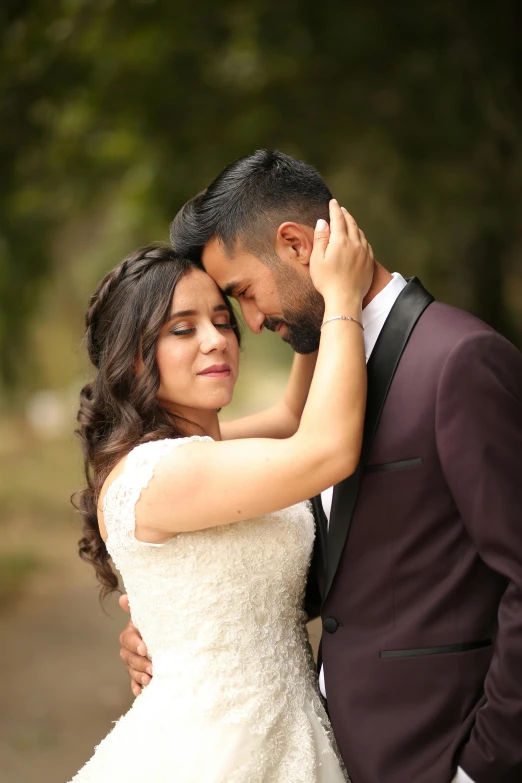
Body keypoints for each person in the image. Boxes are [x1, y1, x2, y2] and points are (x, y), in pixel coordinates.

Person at [120, 150, 522, 783]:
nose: (248, 324)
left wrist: (487, 765)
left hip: (442, 755)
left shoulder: (457, 361)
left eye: (242, 297)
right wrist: (173, 631)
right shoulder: (329, 385)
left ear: (296, 245)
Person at [70, 201, 373, 782]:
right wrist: (342, 299)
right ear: (133, 357)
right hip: (212, 751)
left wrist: (307, 292)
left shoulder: (202, 452)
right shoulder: (158, 475)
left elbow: (292, 416)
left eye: (223, 319)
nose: (216, 340)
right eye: (183, 329)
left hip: (288, 731)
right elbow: (326, 449)